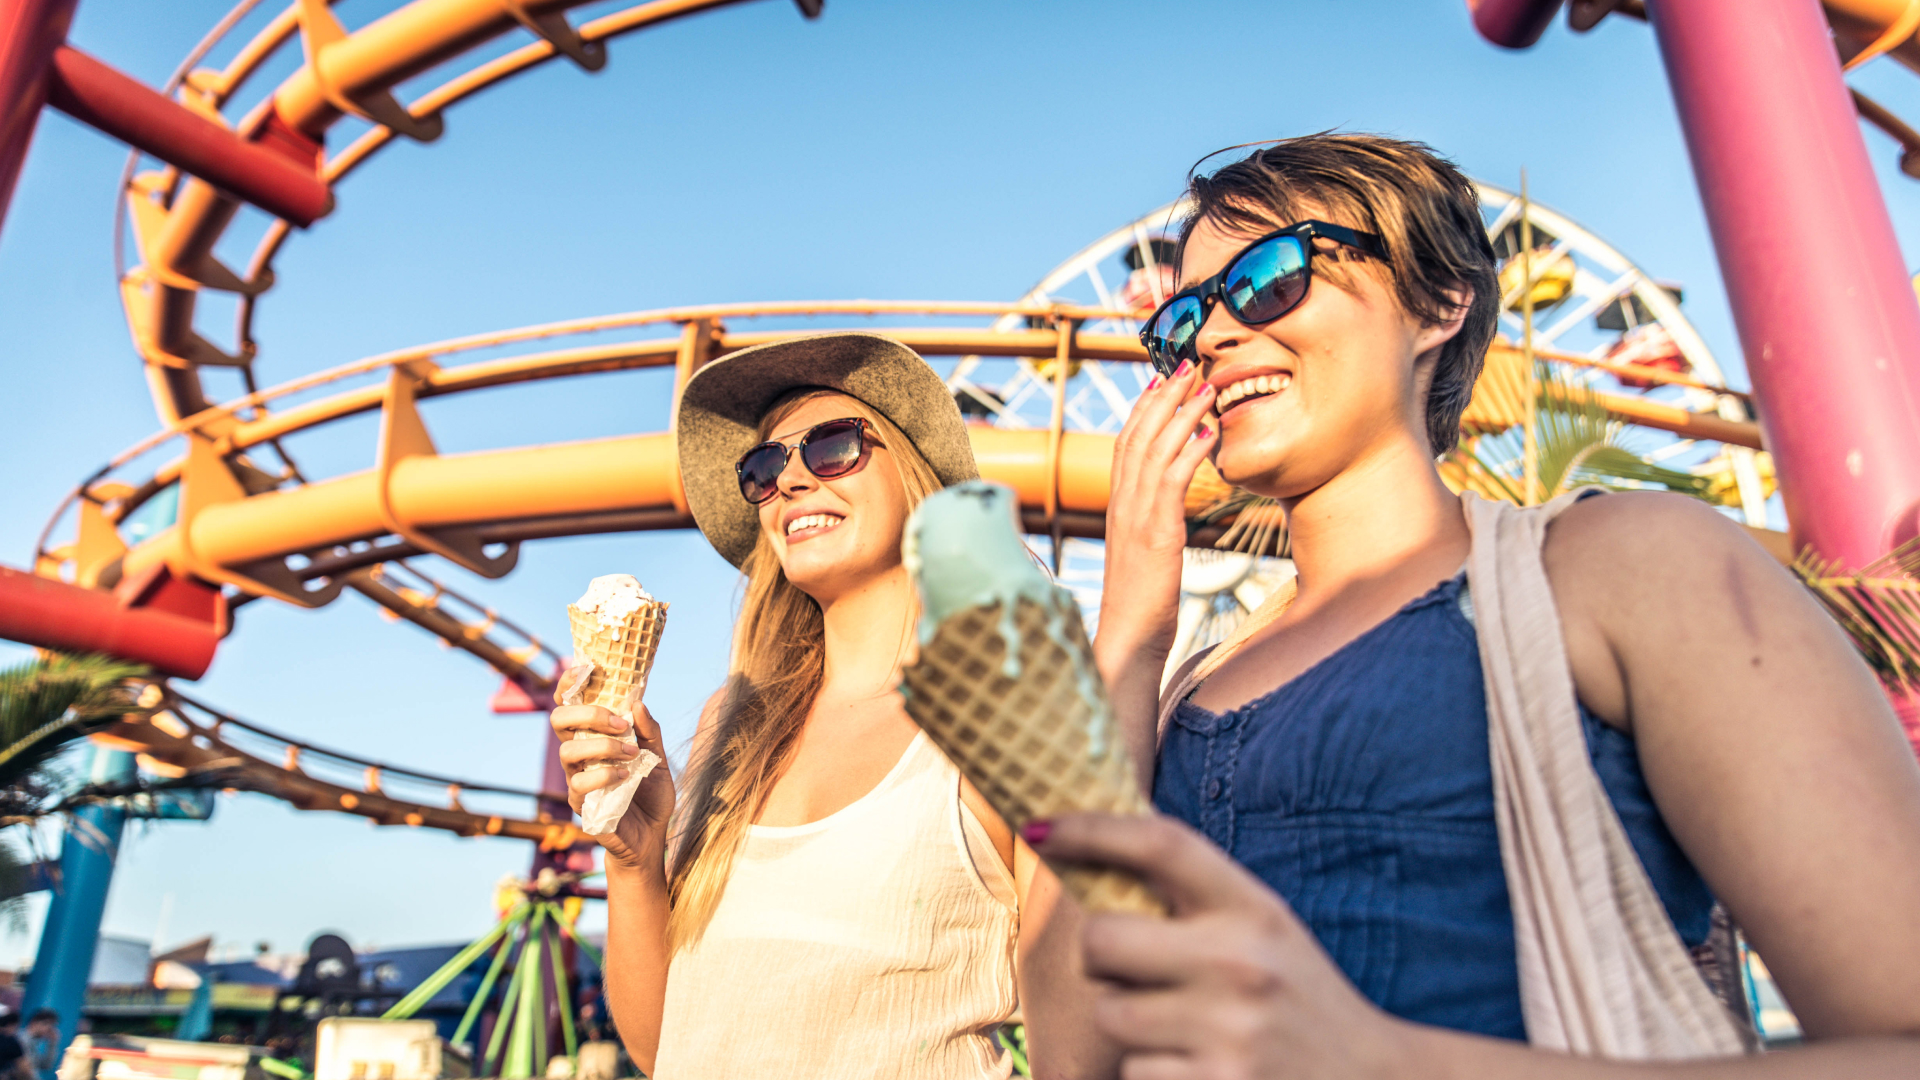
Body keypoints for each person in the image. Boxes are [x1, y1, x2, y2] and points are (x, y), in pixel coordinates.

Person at [1030, 133, 1920, 1076]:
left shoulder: (1622, 567)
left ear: (1439, 301)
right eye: (1178, 323)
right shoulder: (1176, 686)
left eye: (1268, 278)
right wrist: (1130, 626)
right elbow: (1070, 1053)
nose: (1211, 336)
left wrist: (1385, 1058)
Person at [550, 333, 1077, 1078]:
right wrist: (634, 860)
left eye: (833, 448)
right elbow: (666, 1045)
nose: (792, 480)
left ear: (917, 478)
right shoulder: (726, 726)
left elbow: (1086, 1037)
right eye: (764, 468)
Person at [22, 1011, 54, 1080]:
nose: (49, 1029)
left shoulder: (34, 1043)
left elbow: (45, 1066)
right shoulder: (22, 1040)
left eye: (51, 1026)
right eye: (46, 1024)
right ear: (33, 1023)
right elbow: (24, 1070)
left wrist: (52, 1044)